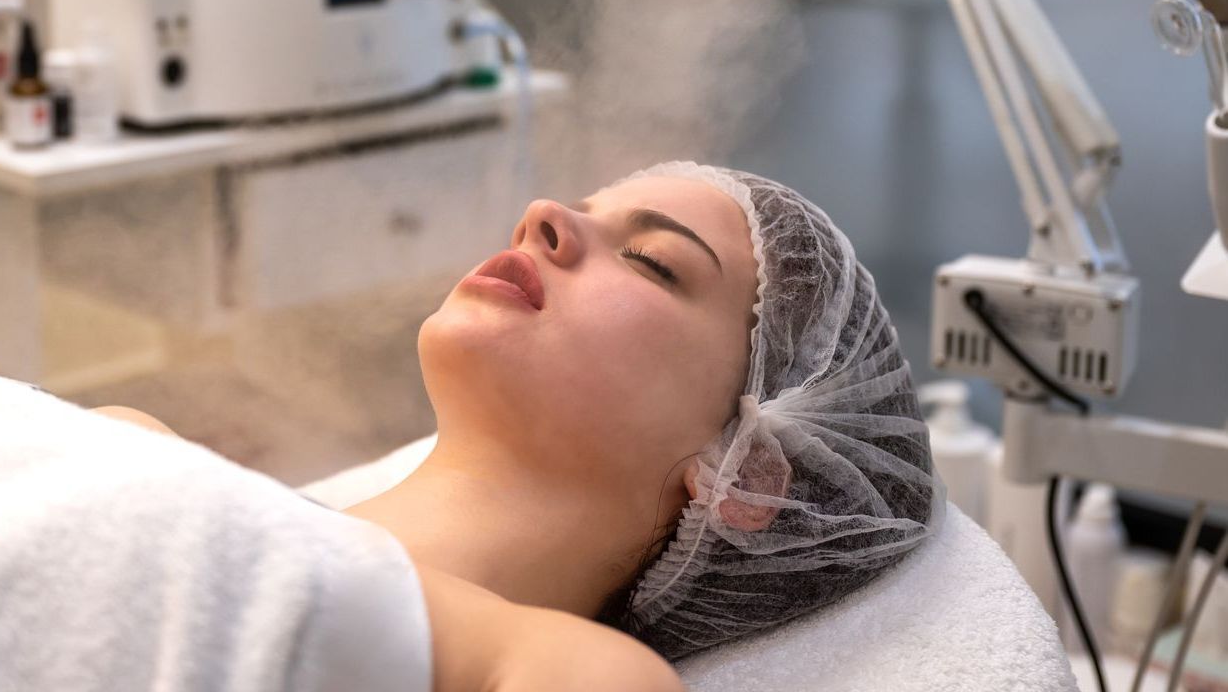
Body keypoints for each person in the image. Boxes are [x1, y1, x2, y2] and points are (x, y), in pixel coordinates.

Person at [106, 160, 943, 689]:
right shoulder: (135, 445)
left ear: (748, 476)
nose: (542, 213)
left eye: (653, 261)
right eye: (581, 208)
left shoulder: (579, 678)